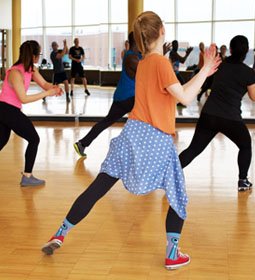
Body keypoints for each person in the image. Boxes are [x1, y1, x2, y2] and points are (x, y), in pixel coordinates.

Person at [41, 11, 219, 269]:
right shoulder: (160, 64)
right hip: (156, 137)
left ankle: (60, 232)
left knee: (99, 186)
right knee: (178, 194)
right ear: (162, 32)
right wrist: (204, 70)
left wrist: (202, 71)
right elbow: (185, 98)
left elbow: (175, 91)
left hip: (132, 132)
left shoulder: (145, 62)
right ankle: (172, 254)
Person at [179, 35, 255, 192]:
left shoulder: (221, 65)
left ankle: (170, 174)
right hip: (230, 118)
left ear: (230, 49)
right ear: (247, 51)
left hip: (209, 115)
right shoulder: (247, 73)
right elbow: (254, 96)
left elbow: (232, 73)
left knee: (194, 149)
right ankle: (243, 181)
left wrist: (253, 73)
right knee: (245, 145)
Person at [0, 40, 62, 186]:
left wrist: (53, 88)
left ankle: (27, 176)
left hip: (8, 110)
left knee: (1, 142)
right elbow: (24, 98)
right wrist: (47, 93)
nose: (39, 57)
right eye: (39, 54)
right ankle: (27, 177)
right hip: (6, 110)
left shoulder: (31, 69)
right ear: (33, 56)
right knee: (34, 139)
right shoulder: (15, 72)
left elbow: (44, 84)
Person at [73, 32, 141, 157]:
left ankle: (82, 143)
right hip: (128, 98)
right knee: (143, 122)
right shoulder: (131, 57)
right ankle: (129, 152)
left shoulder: (137, 55)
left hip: (126, 97)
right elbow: (147, 70)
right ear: (137, 41)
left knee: (108, 122)